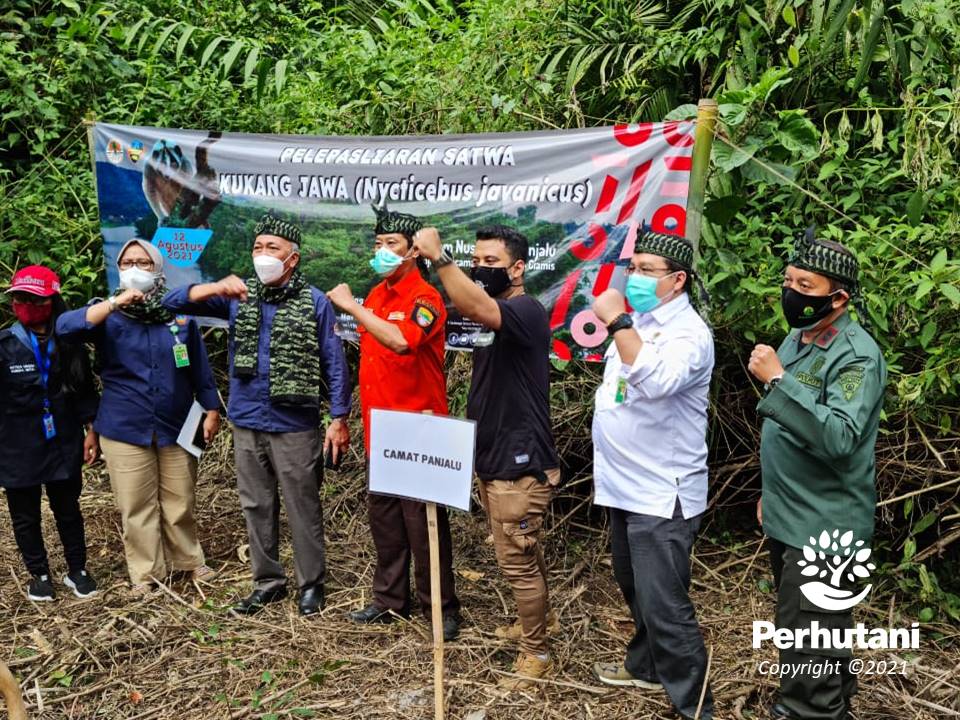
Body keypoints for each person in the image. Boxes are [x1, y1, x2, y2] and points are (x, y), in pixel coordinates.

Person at [162, 214, 351, 616]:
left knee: (303, 505)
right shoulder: (237, 296)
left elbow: (334, 362)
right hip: (247, 420)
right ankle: (267, 582)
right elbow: (170, 302)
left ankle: (310, 584)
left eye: (273, 249)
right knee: (256, 503)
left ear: (293, 259)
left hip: (294, 425)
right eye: (257, 248)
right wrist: (214, 285)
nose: (262, 255)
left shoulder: (316, 302)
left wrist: (338, 417)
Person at [413, 224, 561, 689]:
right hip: (493, 456)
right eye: (476, 261)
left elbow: (476, 304)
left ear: (518, 269)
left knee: (516, 561)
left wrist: (441, 259)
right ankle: (542, 622)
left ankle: (536, 652)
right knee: (521, 553)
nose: (481, 269)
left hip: (520, 464)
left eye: (492, 263)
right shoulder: (496, 314)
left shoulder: (525, 310)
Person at [748, 228, 886, 720]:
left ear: (839, 297)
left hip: (827, 526)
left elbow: (840, 437)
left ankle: (810, 711)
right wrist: (772, 493)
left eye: (805, 287)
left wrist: (779, 380)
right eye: (788, 281)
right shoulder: (800, 335)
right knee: (809, 631)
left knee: (808, 640)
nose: (791, 294)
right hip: (792, 513)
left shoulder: (857, 354)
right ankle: (830, 703)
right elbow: (787, 431)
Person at [589, 231, 715, 719]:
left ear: (678, 280)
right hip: (624, 485)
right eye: (633, 268)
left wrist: (618, 319)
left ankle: (695, 707)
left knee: (665, 605)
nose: (634, 279)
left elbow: (658, 381)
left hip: (663, 494)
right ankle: (646, 666)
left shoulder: (689, 334)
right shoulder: (642, 320)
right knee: (634, 586)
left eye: (647, 271)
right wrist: (627, 321)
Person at [57, 240, 222, 597]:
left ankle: (189, 562)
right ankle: (147, 574)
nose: (135, 268)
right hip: (123, 425)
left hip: (178, 423)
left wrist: (211, 409)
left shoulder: (179, 315)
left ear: (158, 269)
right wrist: (116, 302)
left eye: (144, 262)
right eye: (128, 262)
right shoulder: (107, 314)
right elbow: (65, 329)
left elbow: (199, 368)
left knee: (180, 499)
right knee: (136, 505)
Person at [327, 204, 460, 641]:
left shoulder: (425, 298)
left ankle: (440, 607)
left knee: (424, 523)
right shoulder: (378, 294)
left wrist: (351, 306)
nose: (381, 251)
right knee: (384, 519)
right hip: (380, 427)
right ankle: (389, 600)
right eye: (378, 243)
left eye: (392, 245)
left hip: (420, 428)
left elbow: (403, 342)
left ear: (412, 253)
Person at [1, 266, 99, 601]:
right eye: (19, 298)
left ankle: (78, 569)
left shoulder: (69, 342)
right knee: (25, 514)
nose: (25, 304)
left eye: (33, 299)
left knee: (68, 507)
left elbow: (85, 391)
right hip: (16, 444)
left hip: (63, 439)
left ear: (51, 301)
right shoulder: (4, 345)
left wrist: (92, 431)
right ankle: (39, 574)